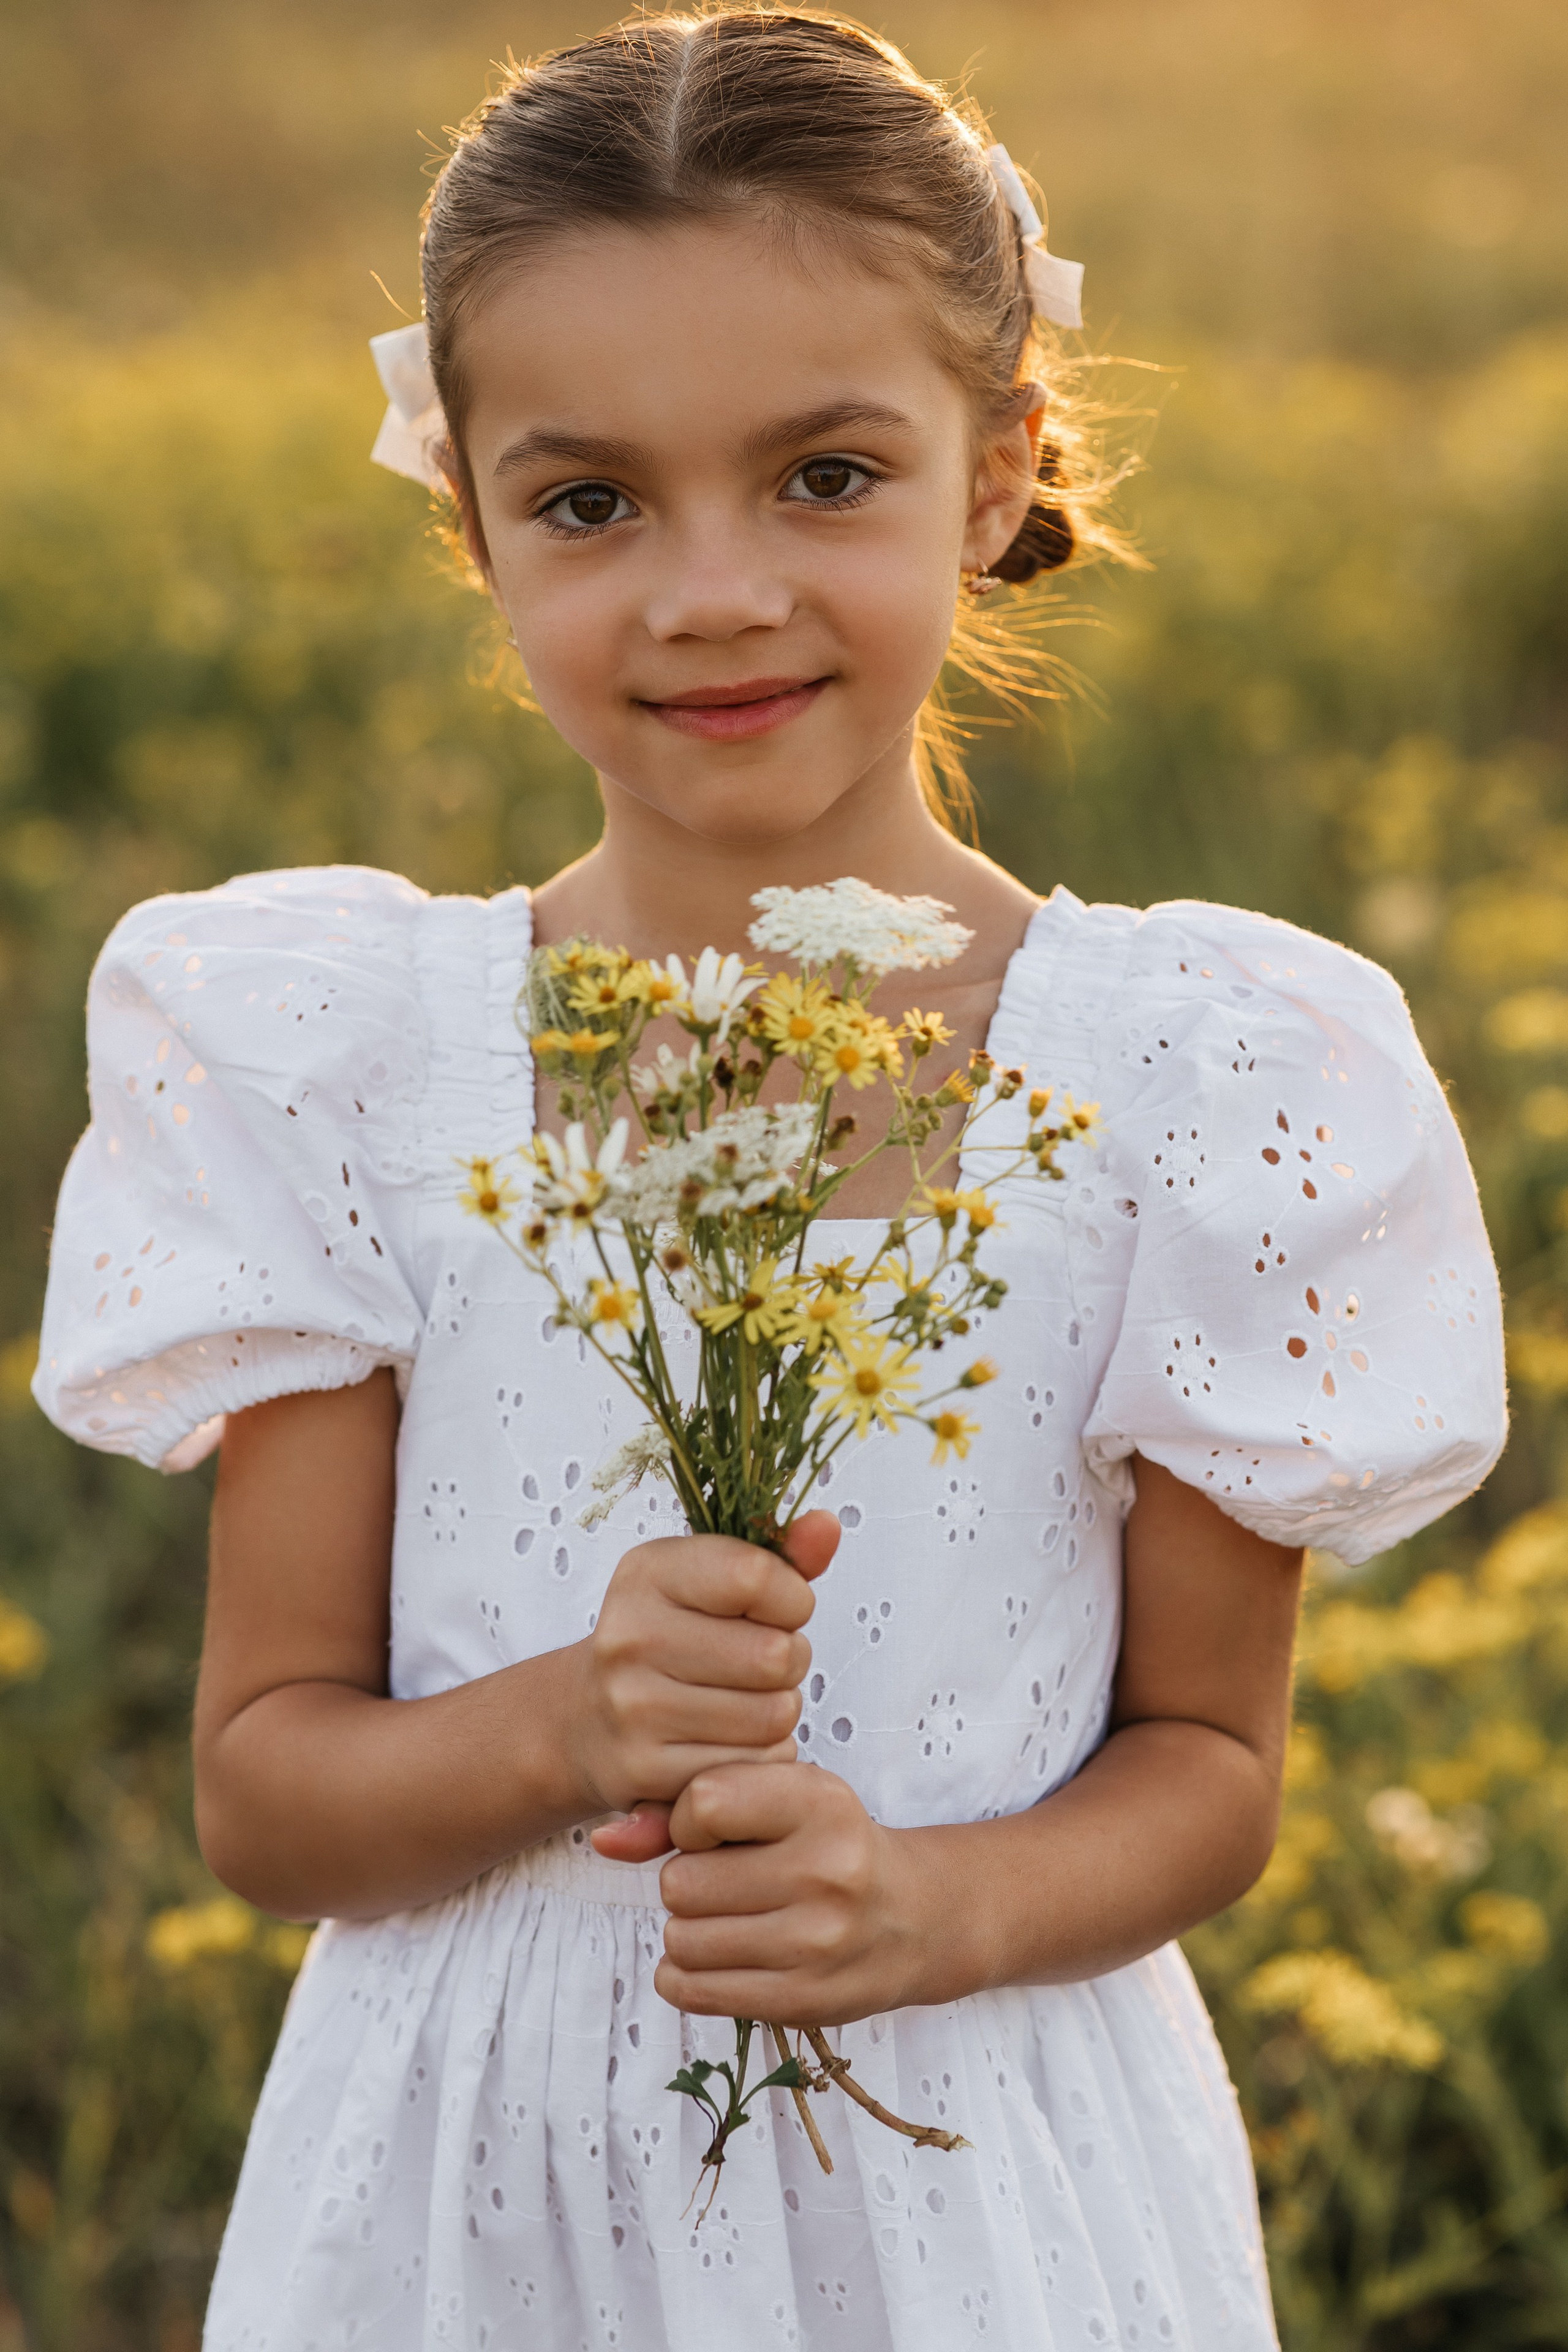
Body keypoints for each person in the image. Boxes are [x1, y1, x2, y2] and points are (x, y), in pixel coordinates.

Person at [34, 12, 1507, 2346]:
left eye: (825, 475)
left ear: (1004, 464)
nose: (709, 591)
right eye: (591, 501)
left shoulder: (1193, 1072)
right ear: (474, 522)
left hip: (979, 2180)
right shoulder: (351, 1054)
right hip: (465, 2211)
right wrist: (567, 1724)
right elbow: (264, 1793)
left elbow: (1211, 1766)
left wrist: (934, 1912)